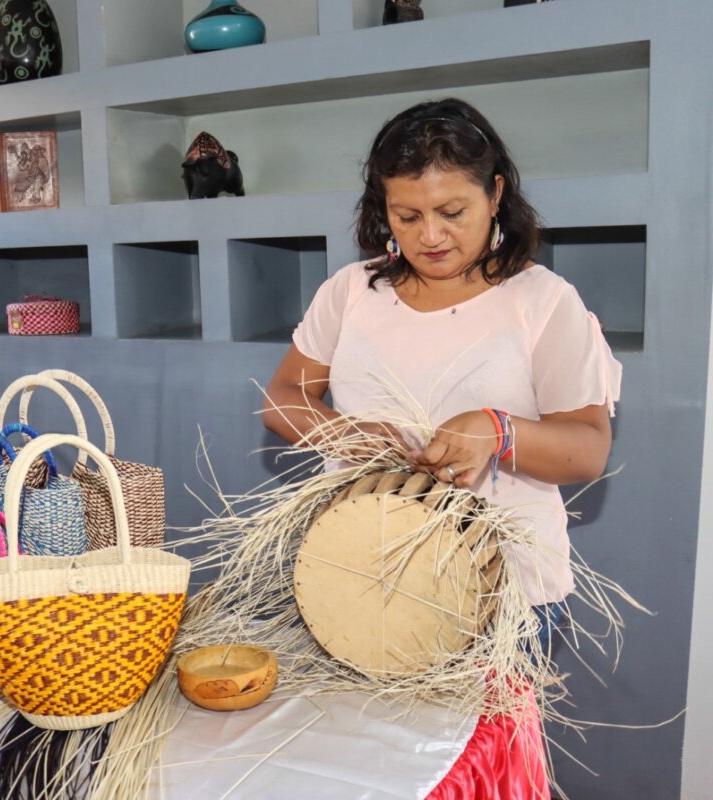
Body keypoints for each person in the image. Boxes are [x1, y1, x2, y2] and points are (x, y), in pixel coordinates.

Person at [263, 98, 622, 655]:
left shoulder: (544, 302)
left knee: (479, 746)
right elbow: (283, 397)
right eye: (407, 217)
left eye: (452, 212)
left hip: (502, 595)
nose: (431, 236)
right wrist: (345, 434)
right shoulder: (351, 291)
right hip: (363, 579)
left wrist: (498, 431)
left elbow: (588, 448)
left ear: (495, 194)